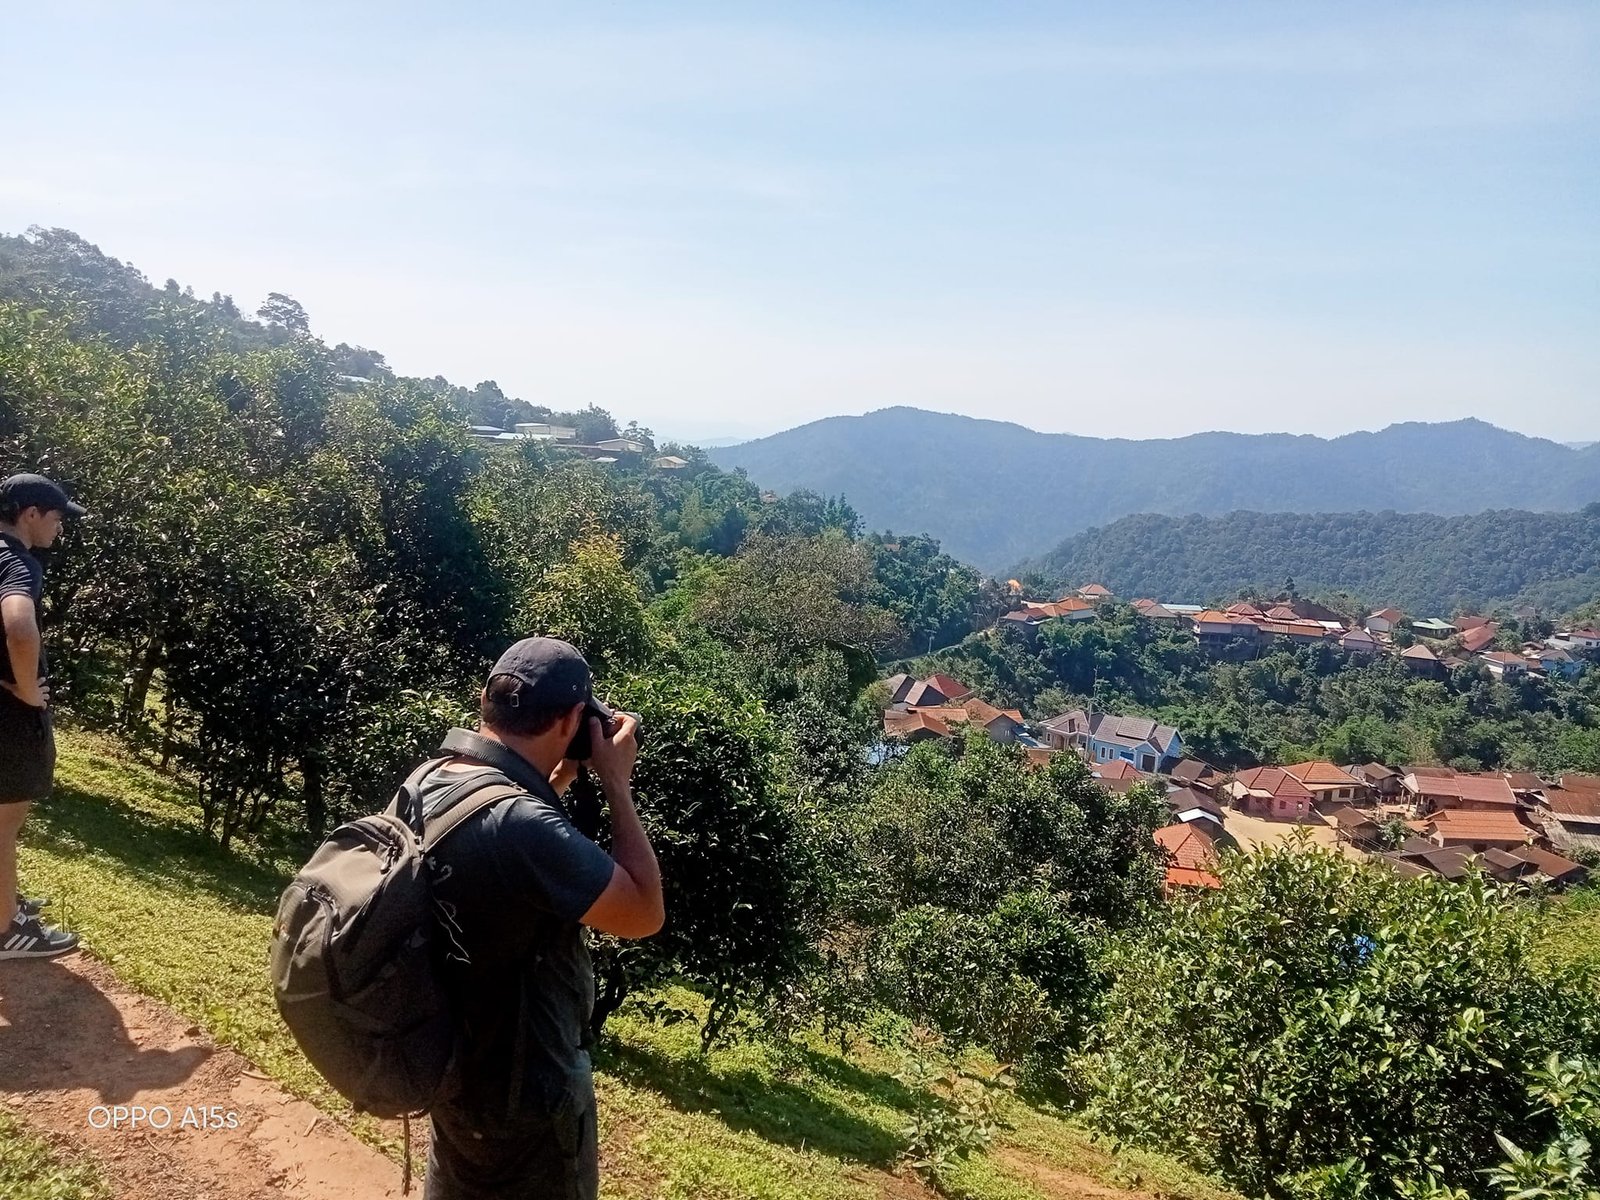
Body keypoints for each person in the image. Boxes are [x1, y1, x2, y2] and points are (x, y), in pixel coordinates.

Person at [422, 636, 664, 1200]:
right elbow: (644, 912)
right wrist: (616, 784)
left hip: (452, 1066)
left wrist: (560, 777)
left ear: (488, 700)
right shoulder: (523, 827)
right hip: (528, 1092)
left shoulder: (434, 779)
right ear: (575, 717)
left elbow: (498, 826)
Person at [0, 473, 86, 959]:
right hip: (9, 717)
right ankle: (5, 933)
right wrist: (29, 690)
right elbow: (18, 622)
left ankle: (3, 903)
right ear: (31, 514)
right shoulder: (19, 563)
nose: (58, 528)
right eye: (56, 518)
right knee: (4, 825)